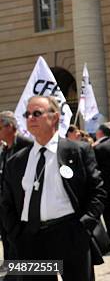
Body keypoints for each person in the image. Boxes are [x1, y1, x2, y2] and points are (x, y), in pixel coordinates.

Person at [0, 96, 106, 281]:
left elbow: (97, 192)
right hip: (30, 240)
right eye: (28, 114)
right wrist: (16, 234)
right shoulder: (16, 162)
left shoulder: (77, 151)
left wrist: (83, 227)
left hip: (70, 235)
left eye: (37, 113)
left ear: (54, 117)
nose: (30, 118)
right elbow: (6, 202)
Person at [0, 111, 33, 261]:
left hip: (25, 216)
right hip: (8, 215)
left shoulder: (27, 146)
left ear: (10, 127)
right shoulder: (5, 150)